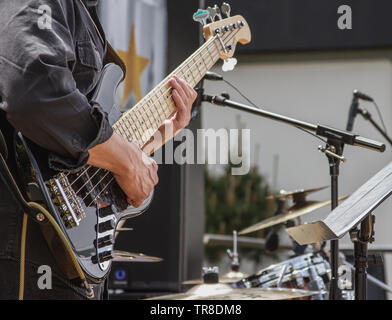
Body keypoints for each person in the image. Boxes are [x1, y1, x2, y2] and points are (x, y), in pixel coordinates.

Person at [0, 0, 196, 299]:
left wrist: (161, 134)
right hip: (27, 243)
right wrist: (129, 163)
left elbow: (82, 156)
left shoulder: (84, 10)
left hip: (68, 259)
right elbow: (36, 94)